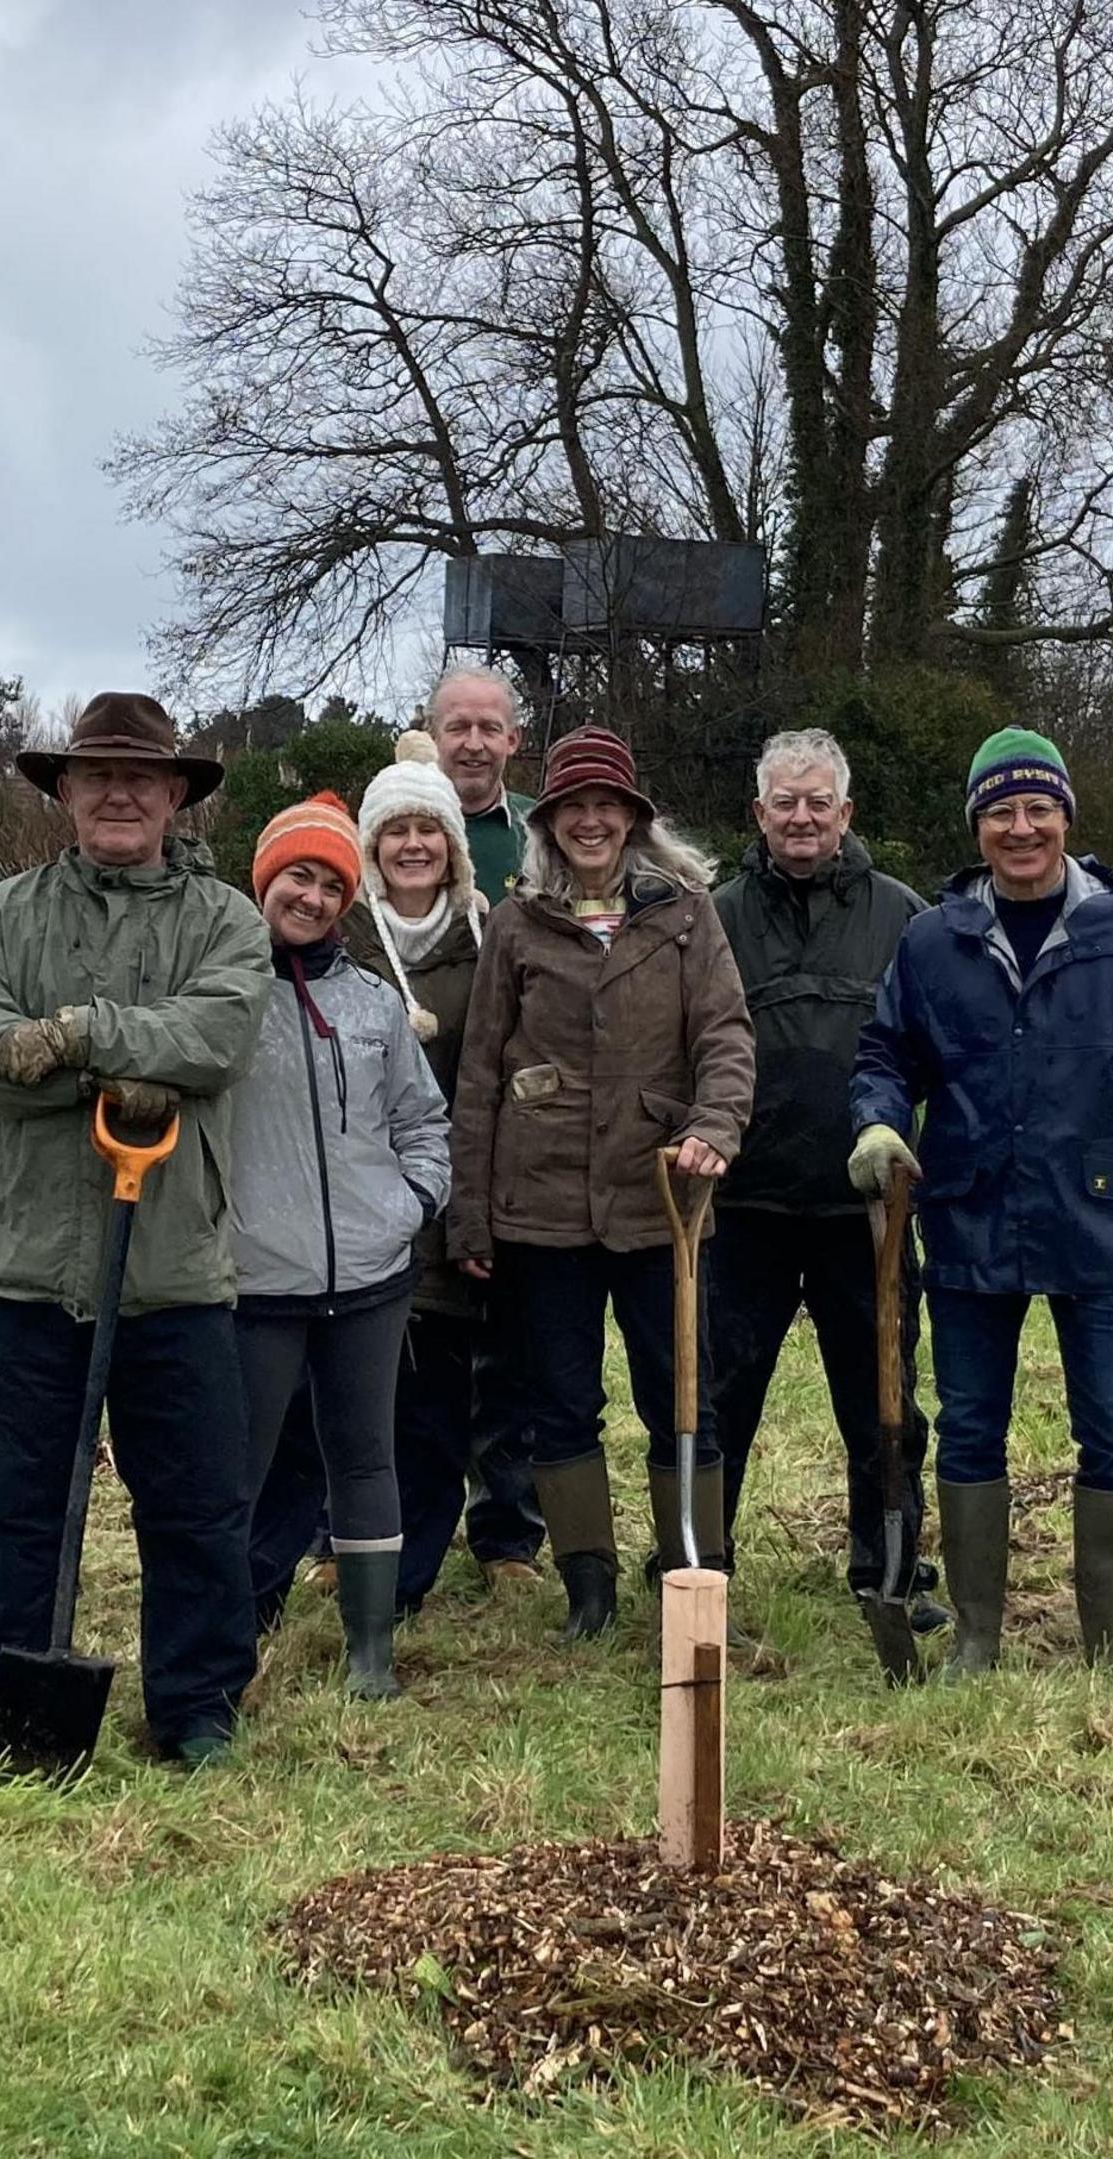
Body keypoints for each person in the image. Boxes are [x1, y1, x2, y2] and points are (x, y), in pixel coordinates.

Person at [0, 692, 272, 1767]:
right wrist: (113, 1065)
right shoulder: (6, 916)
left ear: (174, 797)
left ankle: (197, 1706)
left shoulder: (224, 921)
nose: (118, 792)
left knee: (196, 1506)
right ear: (63, 791)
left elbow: (219, 1036)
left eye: (141, 777)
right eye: (96, 775)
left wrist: (73, 1032)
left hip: (176, 1264)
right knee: (10, 1502)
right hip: (29, 1257)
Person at [847, 728, 1113, 1675]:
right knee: (972, 1423)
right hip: (972, 1213)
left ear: (1067, 818)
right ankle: (976, 1635)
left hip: (1105, 1220)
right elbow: (888, 1054)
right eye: (1000, 811)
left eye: (1038, 808)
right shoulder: (934, 942)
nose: (1021, 828)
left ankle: (1108, 1644)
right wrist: (880, 1123)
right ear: (977, 826)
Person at [447, 725, 754, 1641]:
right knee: (560, 1398)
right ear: (549, 824)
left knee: (681, 1392)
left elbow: (727, 1038)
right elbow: (479, 1074)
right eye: (572, 806)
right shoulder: (515, 922)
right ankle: (589, 1586)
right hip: (539, 1207)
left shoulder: (687, 915)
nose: (590, 820)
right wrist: (471, 1219)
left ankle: (692, 1567)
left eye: (606, 806)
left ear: (632, 818)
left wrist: (712, 1126)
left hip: (660, 1200)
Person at [702, 728, 941, 1631]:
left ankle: (889, 1562)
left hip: (865, 1209)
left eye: (818, 802)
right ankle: (701, 1561)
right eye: (783, 802)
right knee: (720, 1390)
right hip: (745, 1204)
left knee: (881, 1393)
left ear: (845, 814)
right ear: (758, 814)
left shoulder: (903, 914)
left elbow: (931, 1049)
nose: (801, 818)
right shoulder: (715, 915)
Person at [227, 792, 450, 1698]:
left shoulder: (374, 1006)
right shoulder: (225, 996)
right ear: (264, 881)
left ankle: (370, 1653)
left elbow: (421, 1119)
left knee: (366, 1456)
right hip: (255, 1280)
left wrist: (411, 1204)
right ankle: (226, 1635)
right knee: (239, 1465)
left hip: (369, 1275)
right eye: (296, 876)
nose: (311, 896)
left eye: (329, 883)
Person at [350, 734, 524, 1611]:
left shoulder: (488, 942)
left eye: (430, 830)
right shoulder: (339, 936)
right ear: (371, 848)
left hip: (447, 1201)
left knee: (433, 1398)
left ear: (454, 848)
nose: (413, 845)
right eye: (395, 832)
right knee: (346, 1392)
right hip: (344, 1200)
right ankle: (343, 1543)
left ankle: (414, 1570)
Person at [427, 665, 537, 902]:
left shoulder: (542, 828)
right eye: (458, 728)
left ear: (512, 740)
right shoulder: (392, 832)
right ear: (433, 737)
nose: (474, 745)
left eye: (490, 729)